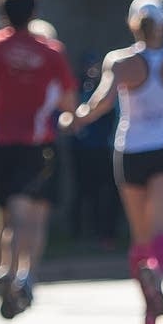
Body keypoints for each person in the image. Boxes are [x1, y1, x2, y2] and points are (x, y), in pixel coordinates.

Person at [63, 0, 163, 324]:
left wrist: (77, 117)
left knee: (140, 235)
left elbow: (99, 102)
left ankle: (148, 313)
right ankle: (155, 271)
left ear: (132, 24)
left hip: (130, 151)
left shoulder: (119, 61)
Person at [0, 0, 77, 320]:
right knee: (29, 212)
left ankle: (10, 271)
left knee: (6, 214)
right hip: (36, 143)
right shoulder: (50, 51)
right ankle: (20, 273)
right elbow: (69, 101)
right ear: (35, 13)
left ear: (1, 13)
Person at [66, 53, 121, 247]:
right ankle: (77, 234)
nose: (91, 71)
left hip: (105, 150)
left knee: (106, 193)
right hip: (81, 150)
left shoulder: (108, 89)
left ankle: (106, 234)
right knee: (83, 192)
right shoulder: (74, 89)